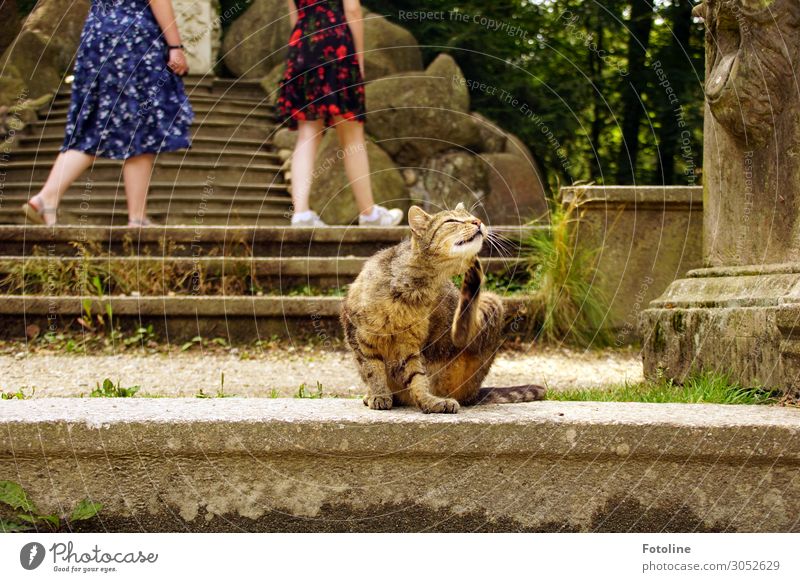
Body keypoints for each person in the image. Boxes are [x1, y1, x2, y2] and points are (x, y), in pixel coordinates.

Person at [21, 0, 194, 227]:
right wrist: (175, 47)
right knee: (141, 125)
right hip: (133, 37)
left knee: (96, 123)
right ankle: (134, 217)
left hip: (98, 35)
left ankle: (49, 198)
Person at [277, 0, 403, 227]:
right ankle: (369, 213)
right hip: (336, 43)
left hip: (302, 45)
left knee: (307, 133)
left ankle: (301, 213)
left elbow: (294, 17)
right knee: (352, 134)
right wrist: (359, 60)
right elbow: (353, 11)